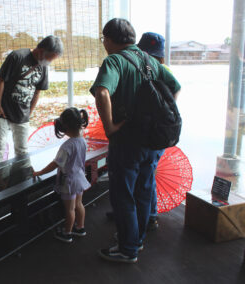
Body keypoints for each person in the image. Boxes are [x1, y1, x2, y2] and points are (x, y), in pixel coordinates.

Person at [91, 18, 181, 263]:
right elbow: (175, 87)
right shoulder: (150, 60)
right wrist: (158, 113)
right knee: (143, 191)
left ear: (109, 39)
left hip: (127, 140)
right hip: (152, 141)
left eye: (104, 39)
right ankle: (137, 240)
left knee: (122, 194)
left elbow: (102, 91)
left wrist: (110, 127)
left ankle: (127, 248)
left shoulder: (115, 61)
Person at [0, 35, 63, 165]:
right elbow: (0, 80)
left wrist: (29, 112)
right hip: (3, 110)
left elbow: (37, 91)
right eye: (50, 58)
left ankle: (22, 181)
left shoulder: (43, 66)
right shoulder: (17, 56)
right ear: (41, 51)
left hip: (22, 112)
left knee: (22, 150)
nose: (49, 62)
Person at [33, 108, 90, 243]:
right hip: (80, 178)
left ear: (65, 126)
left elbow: (55, 164)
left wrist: (40, 172)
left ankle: (67, 233)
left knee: (70, 209)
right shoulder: (82, 140)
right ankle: (80, 228)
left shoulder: (66, 146)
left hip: (68, 181)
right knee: (79, 204)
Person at [137, 32, 172, 231]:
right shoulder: (164, 70)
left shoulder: (152, 70)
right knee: (149, 172)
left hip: (153, 131)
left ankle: (149, 215)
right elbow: (175, 91)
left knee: (146, 176)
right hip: (162, 131)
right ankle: (151, 213)